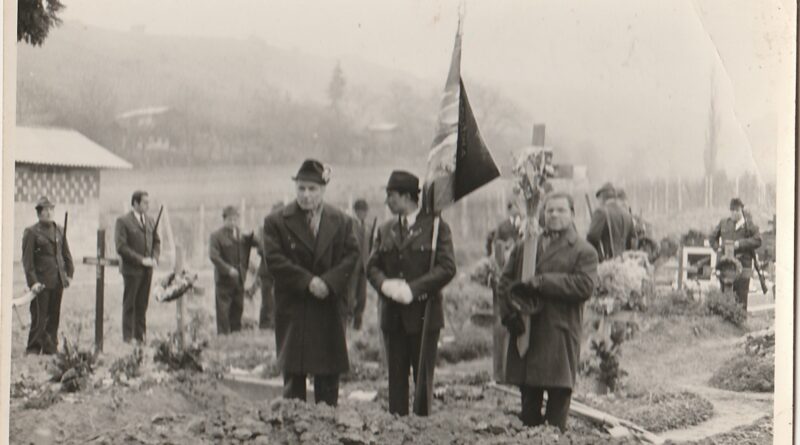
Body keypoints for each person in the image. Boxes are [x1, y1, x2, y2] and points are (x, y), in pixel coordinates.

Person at [497, 191, 599, 430]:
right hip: (527, 334)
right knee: (528, 415)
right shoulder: (526, 245)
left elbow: (584, 286)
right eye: (550, 210)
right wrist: (509, 314)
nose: (554, 215)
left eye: (561, 210)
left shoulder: (583, 250)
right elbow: (504, 282)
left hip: (559, 336)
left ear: (572, 214)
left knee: (556, 418)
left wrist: (543, 282)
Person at [263, 159, 360, 406]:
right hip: (295, 308)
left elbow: (352, 256)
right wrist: (308, 282)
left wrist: (328, 283)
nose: (306, 195)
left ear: (323, 190)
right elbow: (274, 260)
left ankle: (326, 425)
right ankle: (295, 424)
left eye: (312, 189)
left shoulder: (342, 221)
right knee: (294, 382)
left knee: (327, 381)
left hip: (328, 306)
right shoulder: (276, 221)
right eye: (301, 188)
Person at [366, 170, 456, 416]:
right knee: (396, 379)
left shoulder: (436, 228)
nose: (387, 201)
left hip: (423, 316)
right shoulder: (385, 229)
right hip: (393, 317)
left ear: (407, 197)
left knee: (423, 381)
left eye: (391, 196)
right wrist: (385, 285)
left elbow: (447, 268)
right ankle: (398, 428)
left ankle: (421, 429)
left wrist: (413, 290)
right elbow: (372, 267)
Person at [21, 197, 74, 354]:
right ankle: (33, 348)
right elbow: (27, 261)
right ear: (39, 213)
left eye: (51, 209)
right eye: (46, 210)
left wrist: (69, 274)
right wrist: (33, 282)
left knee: (54, 315)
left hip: (58, 280)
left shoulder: (59, 230)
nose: (50, 213)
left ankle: (50, 348)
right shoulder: (32, 232)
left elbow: (66, 254)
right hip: (41, 282)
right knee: (39, 316)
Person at [115, 190, 161, 343]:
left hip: (147, 270)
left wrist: (154, 258)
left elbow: (156, 242)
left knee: (142, 304)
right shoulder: (123, 221)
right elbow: (121, 247)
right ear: (135, 203)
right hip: (132, 270)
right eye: (145, 202)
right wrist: (141, 260)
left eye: (148, 202)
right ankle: (128, 338)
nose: (148, 205)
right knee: (130, 304)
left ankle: (140, 337)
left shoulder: (150, 220)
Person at [709, 198, 762, 310]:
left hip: (743, 267)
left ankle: (740, 318)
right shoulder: (724, 223)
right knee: (725, 295)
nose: (734, 213)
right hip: (726, 266)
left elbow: (758, 240)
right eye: (732, 210)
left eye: (736, 210)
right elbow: (712, 238)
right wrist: (718, 249)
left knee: (741, 298)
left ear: (741, 210)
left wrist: (740, 244)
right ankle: (727, 318)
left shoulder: (749, 225)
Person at [209, 206, 255, 334]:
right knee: (223, 310)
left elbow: (258, 244)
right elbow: (214, 256)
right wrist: (227, 269)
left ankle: (236, 334)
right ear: (224, 220)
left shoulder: (242, 234)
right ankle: (223, 335)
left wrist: (250, 236)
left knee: (238, 308)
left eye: (235, 219)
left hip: (239, 279)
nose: (233, 222)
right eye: (230, 219)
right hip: (224, 280)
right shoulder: (216, 236)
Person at [255, 201, 285, 330]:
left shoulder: (287, 229)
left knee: (281, 298)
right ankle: (265, 324)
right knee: (267, 299)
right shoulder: (263, 229)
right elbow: (260, 248)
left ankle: (277, 324)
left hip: (282, 270)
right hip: (267, 269)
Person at [587, 182, 634, 261]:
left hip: (607, 261)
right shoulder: (627, 214)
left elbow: (591, 237)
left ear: (602, 198)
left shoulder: (600, 212)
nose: (599, 203)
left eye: (599, 200)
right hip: (625, 260)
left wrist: (599, 258)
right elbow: (632, 239)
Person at [348, 199, 372, 330]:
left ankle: (358, 322)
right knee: (350, 296)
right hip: (352, 266)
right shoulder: (349, 225)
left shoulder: (368, 228)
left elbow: (371, 246)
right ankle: (348, 320)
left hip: (364, 266)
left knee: (362, 296)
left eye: (365, 211)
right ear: (356, 211)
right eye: (361, 211)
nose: (364, 214)